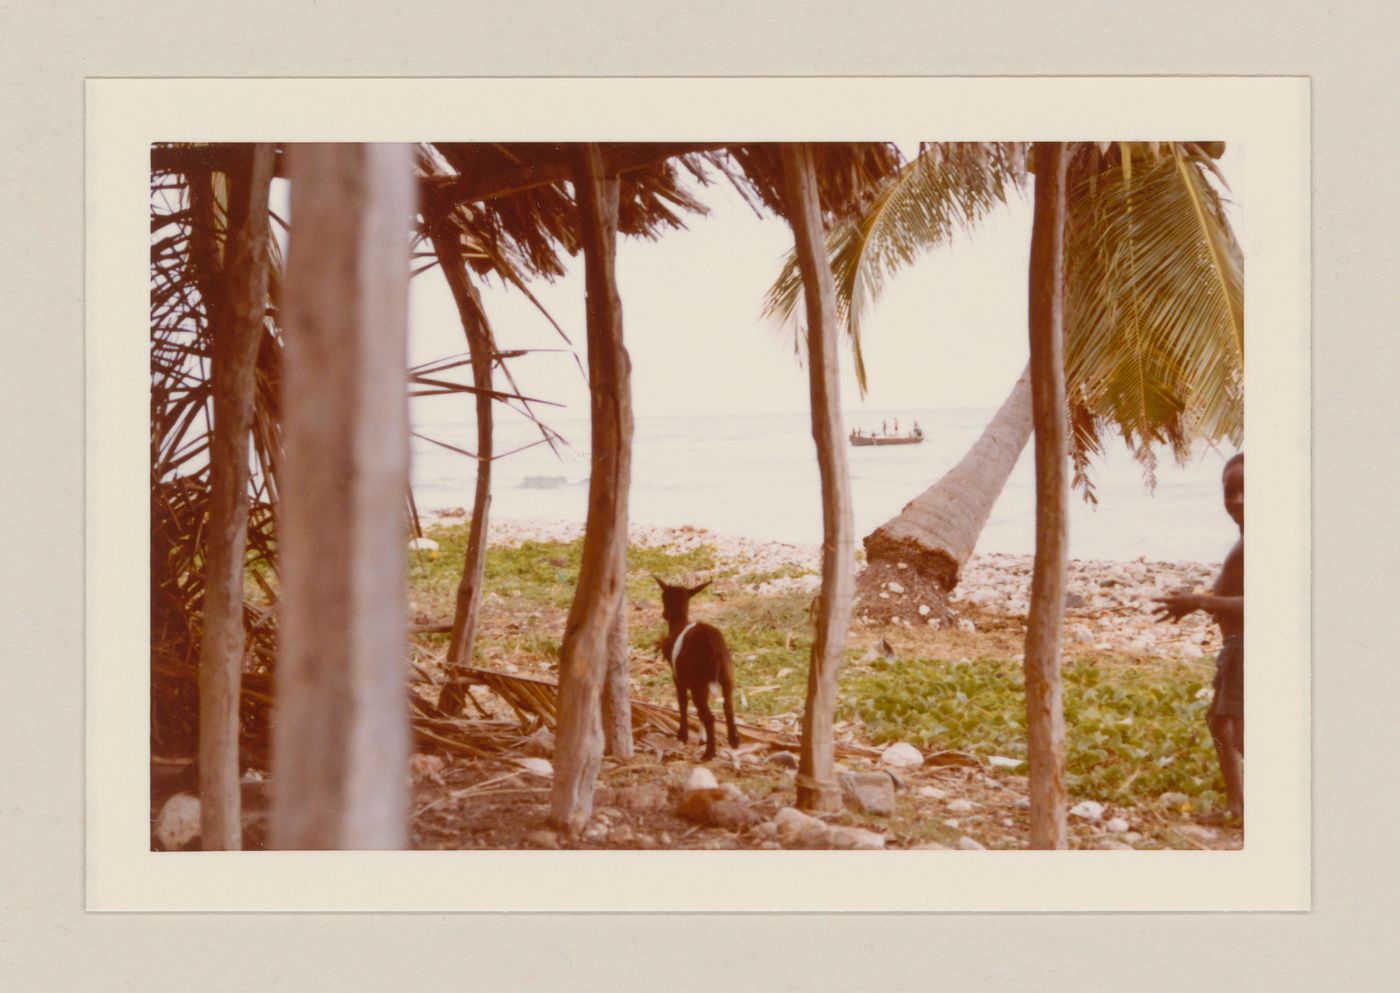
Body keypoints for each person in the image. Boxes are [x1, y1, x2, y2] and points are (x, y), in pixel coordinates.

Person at [1153, 452, 1244, 824]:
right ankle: (1238, 806)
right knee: (1220, 724)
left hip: (1248, 648)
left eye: (1247, 490)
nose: (1237, 499)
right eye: (1229, 490)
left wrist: (1200, 601)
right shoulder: (1245, 540)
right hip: (1235, 649)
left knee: (1240, 733)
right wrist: (1196, 603)